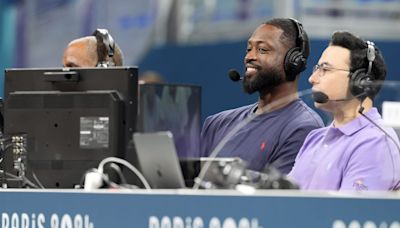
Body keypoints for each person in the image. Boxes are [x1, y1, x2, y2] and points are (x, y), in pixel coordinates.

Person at [200, 18, 324, 174]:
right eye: (249, 49)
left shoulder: (304, 128)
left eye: (262, 50)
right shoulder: (216, 124)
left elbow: (276, 195)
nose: (249, 57)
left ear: (293, 62)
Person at [288, 31, 400, 191]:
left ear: (361, 82)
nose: (312, 78)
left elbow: (350, 212)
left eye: (325, 69)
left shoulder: (375, 142)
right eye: (317, 68)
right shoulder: (315, 137)